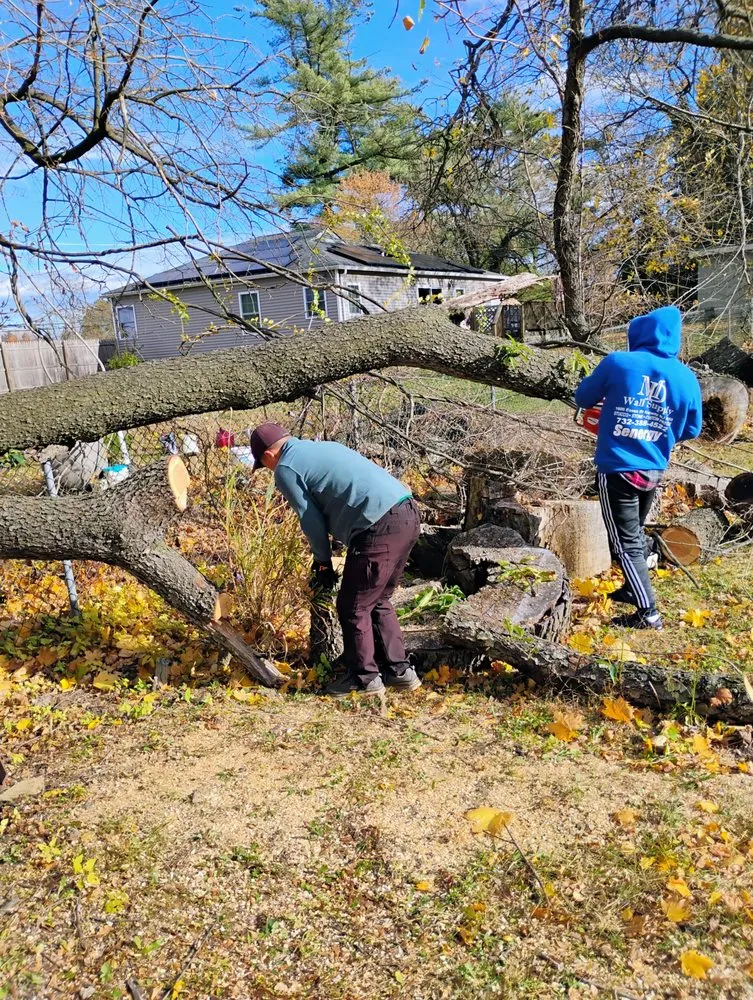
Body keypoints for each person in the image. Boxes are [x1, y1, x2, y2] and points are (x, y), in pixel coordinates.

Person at [248, 422, 422, 696]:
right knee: (377, 600)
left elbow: (310, 518)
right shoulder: (323, 447)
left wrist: (322, 561)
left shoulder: (285, 468)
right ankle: (399, 671)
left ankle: (365, 679)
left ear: (267, 456)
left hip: (378, 524)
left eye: (263, 465)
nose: (267, 469)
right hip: (407, 511)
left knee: (352, 605)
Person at [574, 306, 702, 630]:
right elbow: (692, 429)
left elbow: (583, 395)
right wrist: (662, 431)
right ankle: (634, 586)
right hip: (653, 470)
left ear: (639, 333)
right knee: (634, 533)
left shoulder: (619, 362)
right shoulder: (686, 377)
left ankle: (649, 614)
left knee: (624, 541)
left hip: (617, 466)